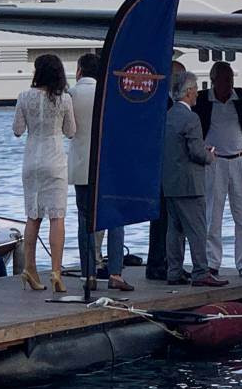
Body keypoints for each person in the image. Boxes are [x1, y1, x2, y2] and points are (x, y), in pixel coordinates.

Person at [194, 61, 242, 278]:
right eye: (225, 80)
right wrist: (200, 147)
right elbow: (192, 124)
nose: (229, 85)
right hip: (214, 162)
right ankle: (212, 263)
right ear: (214, 80)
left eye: (231, 80)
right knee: (212, 216)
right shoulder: (203, 99)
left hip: (239, 159)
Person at [69, 52, 132, 292]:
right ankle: (115, 273)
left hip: (82, 166)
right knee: (115, 219)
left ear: (79, 70)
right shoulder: (110, 93)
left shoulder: (71, 94)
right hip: (110, 166)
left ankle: (88, 275)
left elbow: (69, 130)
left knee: (85, 219)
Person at [12, 53, 76, 293]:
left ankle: (29, 268)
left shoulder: (24, 97)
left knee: (33, 216)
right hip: (55, 160)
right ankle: (56, 272)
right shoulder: (64, 99)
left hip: (31, 162)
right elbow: (71, 131)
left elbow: (18, 130)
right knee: (57, 217)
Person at [162, 71, 227, 287]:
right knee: (198, 230)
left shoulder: (167, 116)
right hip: (191, 184)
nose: (198, 93)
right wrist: (210, 155)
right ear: (188, 91)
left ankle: (174, 271)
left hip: (170, 183)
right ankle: (201, 272)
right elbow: (196, 153)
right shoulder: (191, 118)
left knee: (174, 230)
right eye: (195, 89)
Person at [146, 59, 187, 281]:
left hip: (167, 167)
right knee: (163, 220)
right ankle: (159, 263)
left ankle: (169, 262)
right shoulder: (164, 103)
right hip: (164, 168)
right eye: (179, 77)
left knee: (169, 220)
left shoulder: (167, 101)